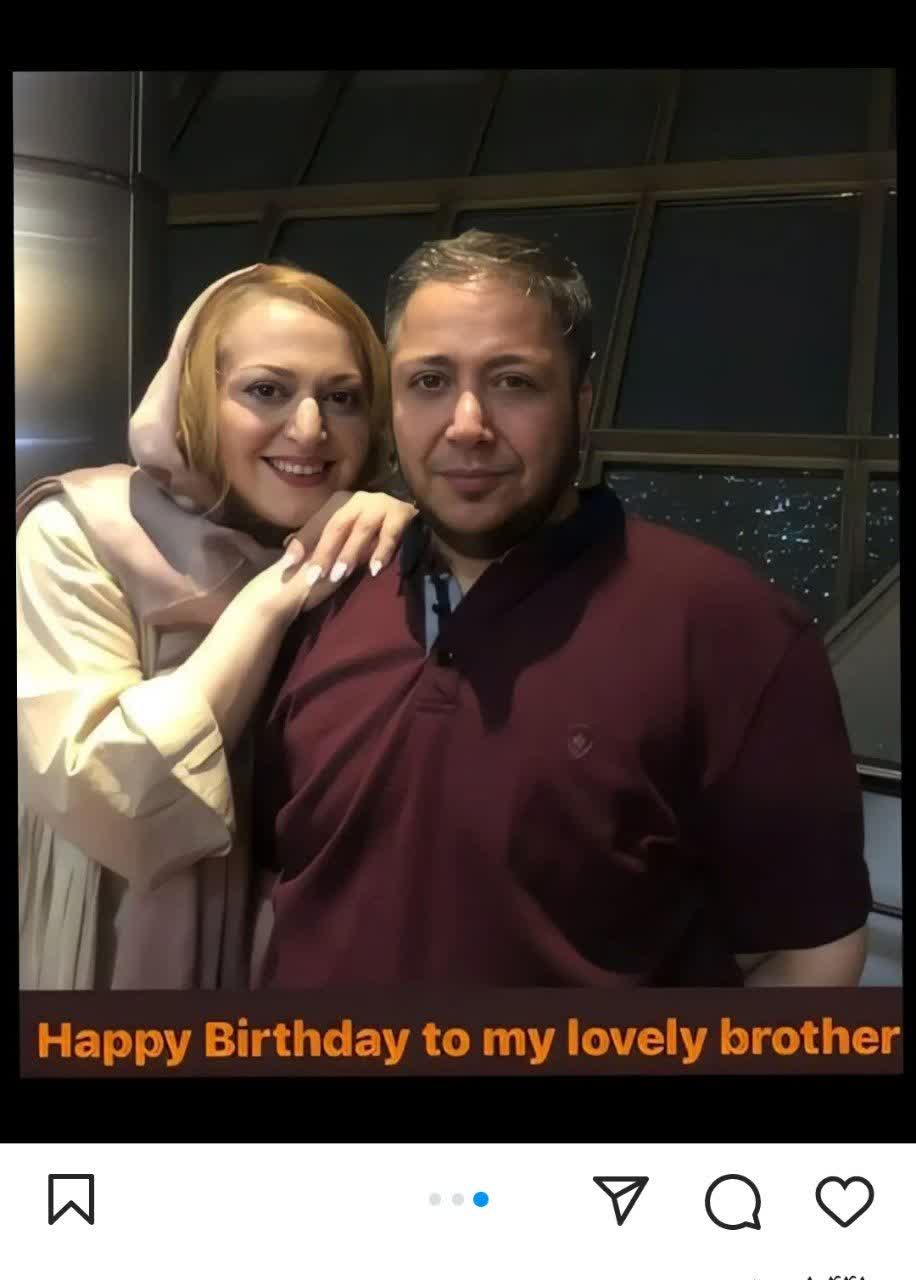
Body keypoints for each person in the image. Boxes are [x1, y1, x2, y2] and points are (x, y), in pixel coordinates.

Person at [253, 230, 872, 988]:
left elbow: (813, 951)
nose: (467, 423)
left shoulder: (728, 628)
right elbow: (276, 884)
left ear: (582, 400)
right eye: (429, 381)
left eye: (514, 382)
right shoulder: (323, 595)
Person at [17, 263, 416, 990]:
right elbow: (115, 796)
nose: (310, 430)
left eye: (342, 398)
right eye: (266, 390)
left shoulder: (369, 543)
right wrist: (272, 599)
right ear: (195, 397)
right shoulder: (79, 533)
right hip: (115, 944)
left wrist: (403, 540)